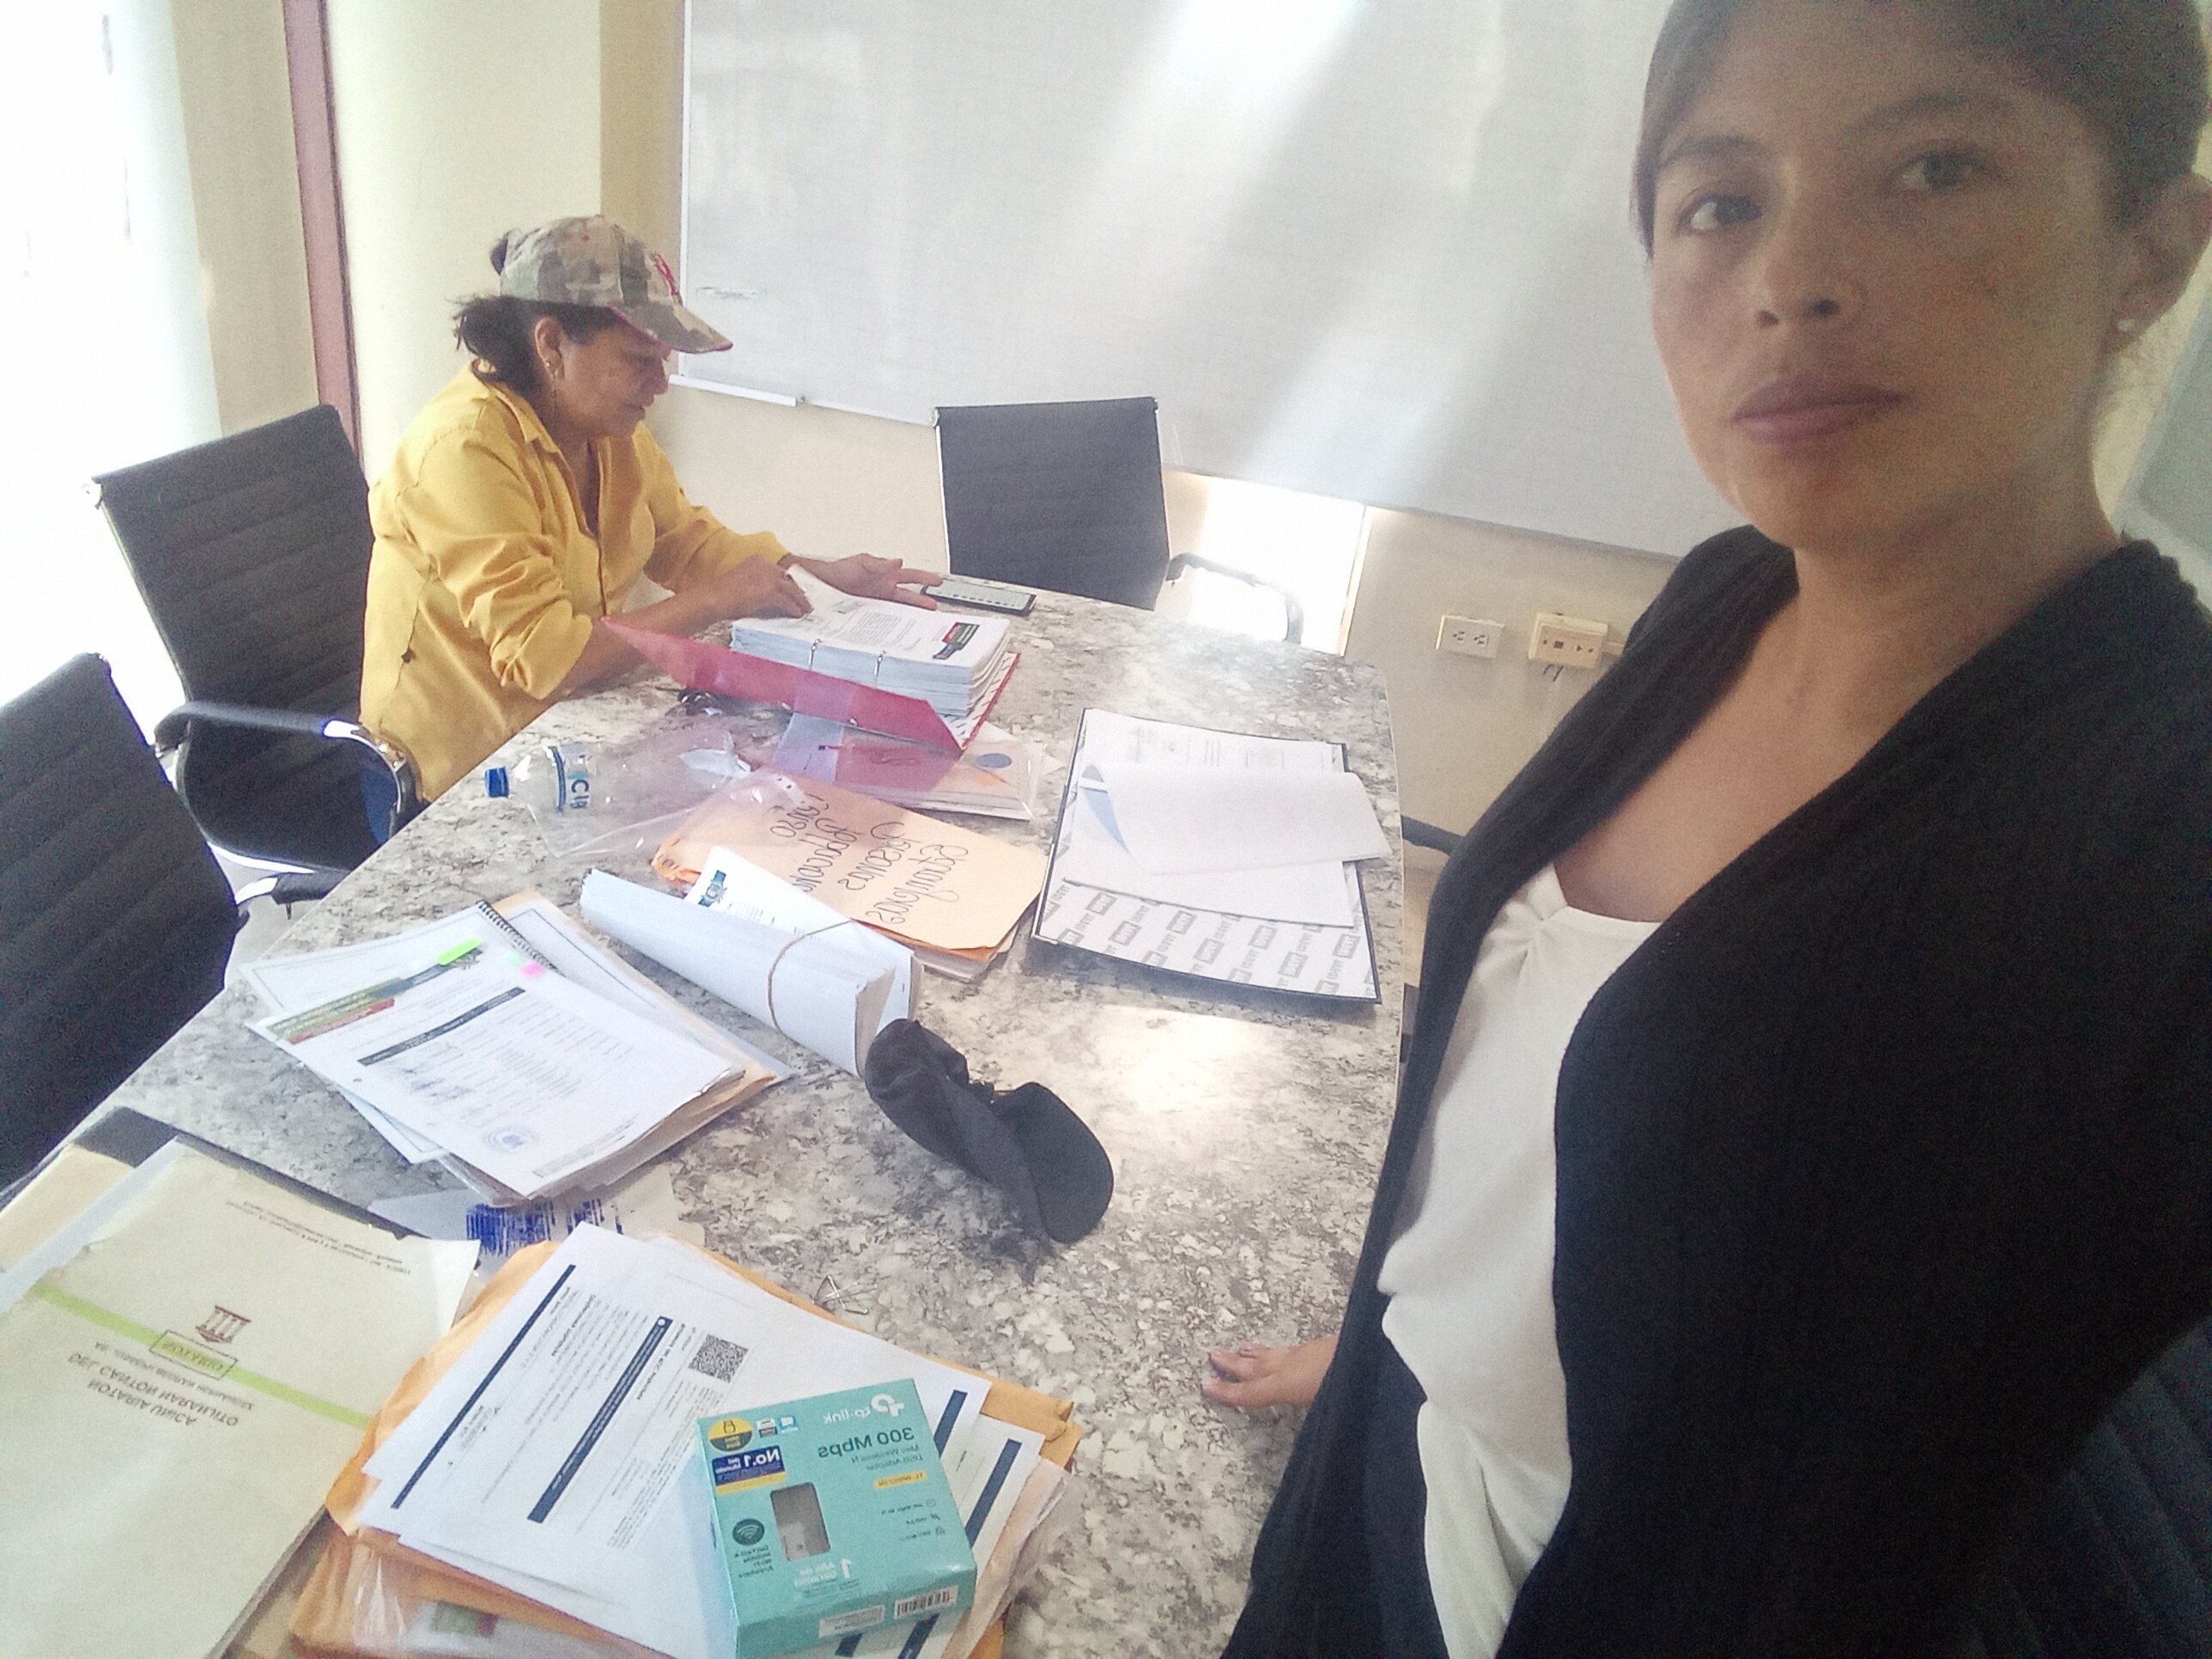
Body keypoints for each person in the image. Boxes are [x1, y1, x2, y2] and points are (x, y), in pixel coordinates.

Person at [1212, 3, 2212, 1655]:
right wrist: (1390, 1346)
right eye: (1722, 201)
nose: (1790, 280)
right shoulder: (1725, 600)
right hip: (1385, 1481)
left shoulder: (2156, 825)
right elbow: (1527, 1117)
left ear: (2150, 250)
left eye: (1934, 169)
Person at [360, 215, 936, 802]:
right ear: (551, 344)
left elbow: (686, 541)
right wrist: (716, 600)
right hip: (459, 777)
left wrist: (817, 574)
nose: (659, 384)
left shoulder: (606, 429)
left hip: (570, 741)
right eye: (639, 360)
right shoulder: (463, 449)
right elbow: (544, 657)